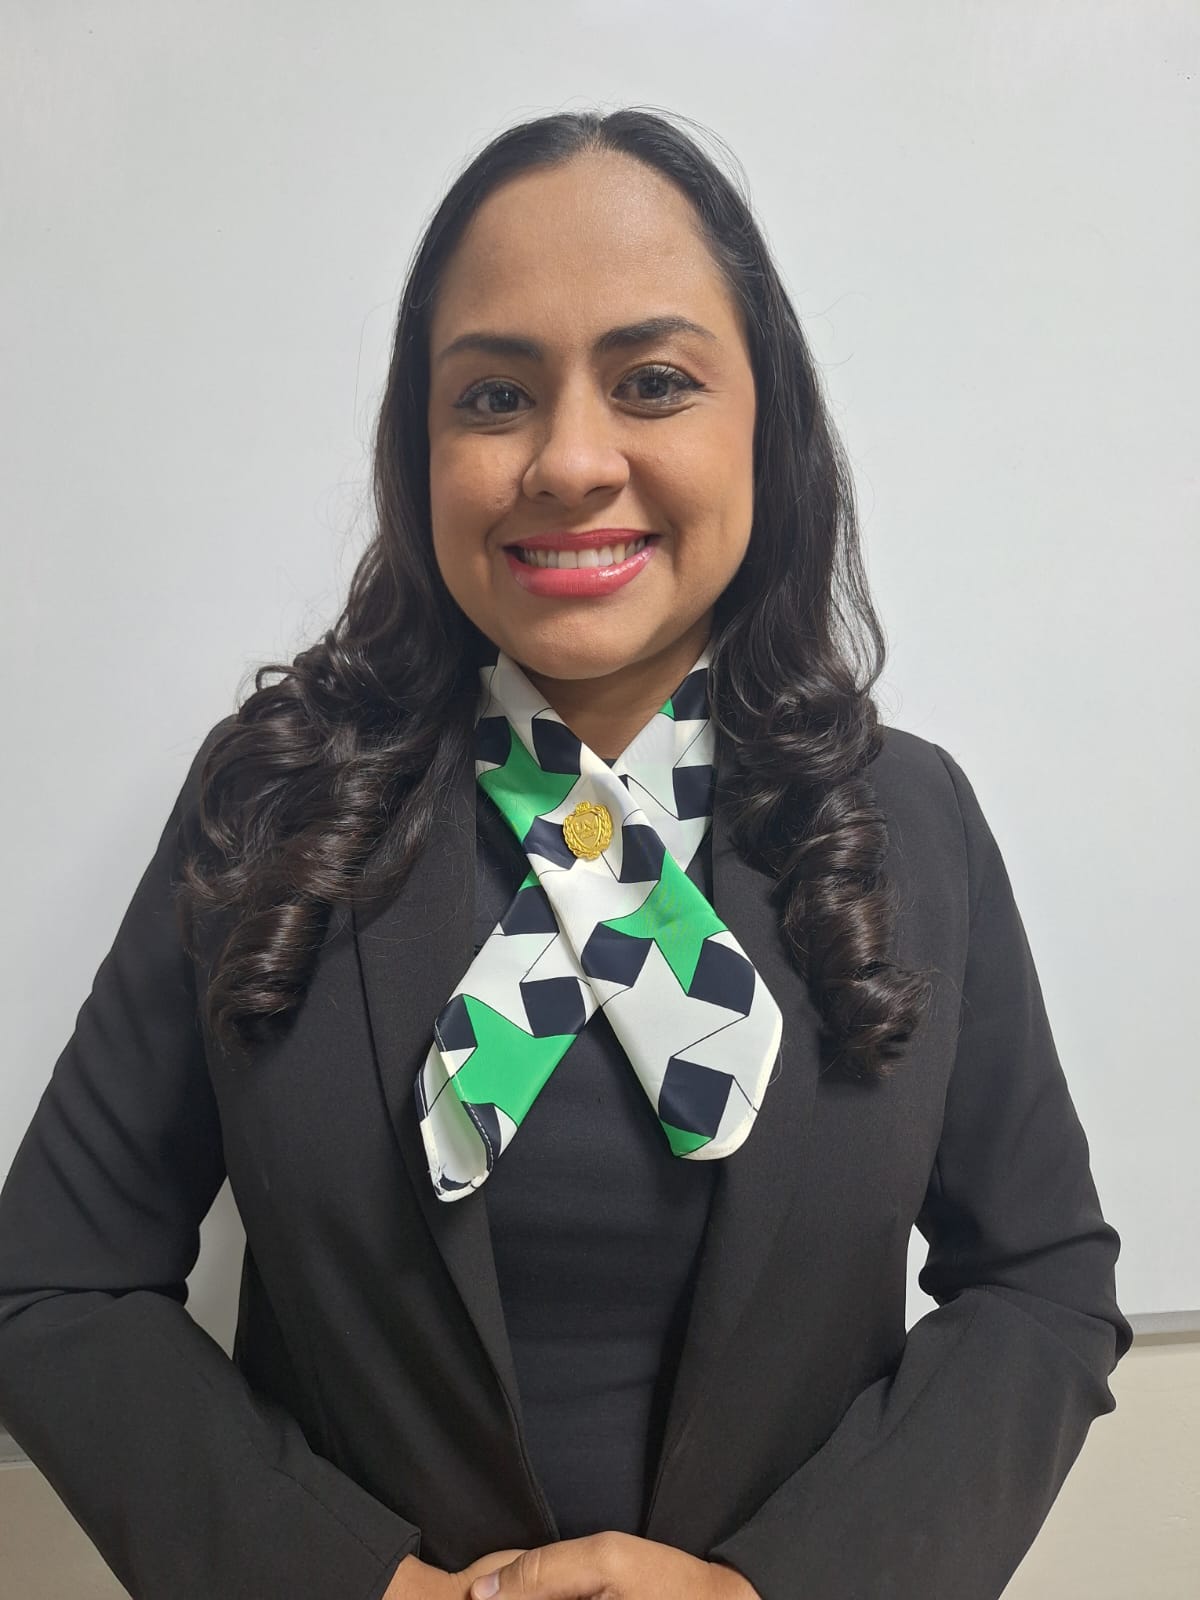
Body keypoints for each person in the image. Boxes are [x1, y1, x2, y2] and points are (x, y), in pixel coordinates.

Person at [0, 107, 1131, 1600]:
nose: (572, 460)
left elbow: (1041, 1285)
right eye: (494, 397)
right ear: (420, 447)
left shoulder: (911, 824)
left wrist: (770, 1592)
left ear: (766, 426)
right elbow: (56, 1285)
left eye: (654, 382)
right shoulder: (271, 806)